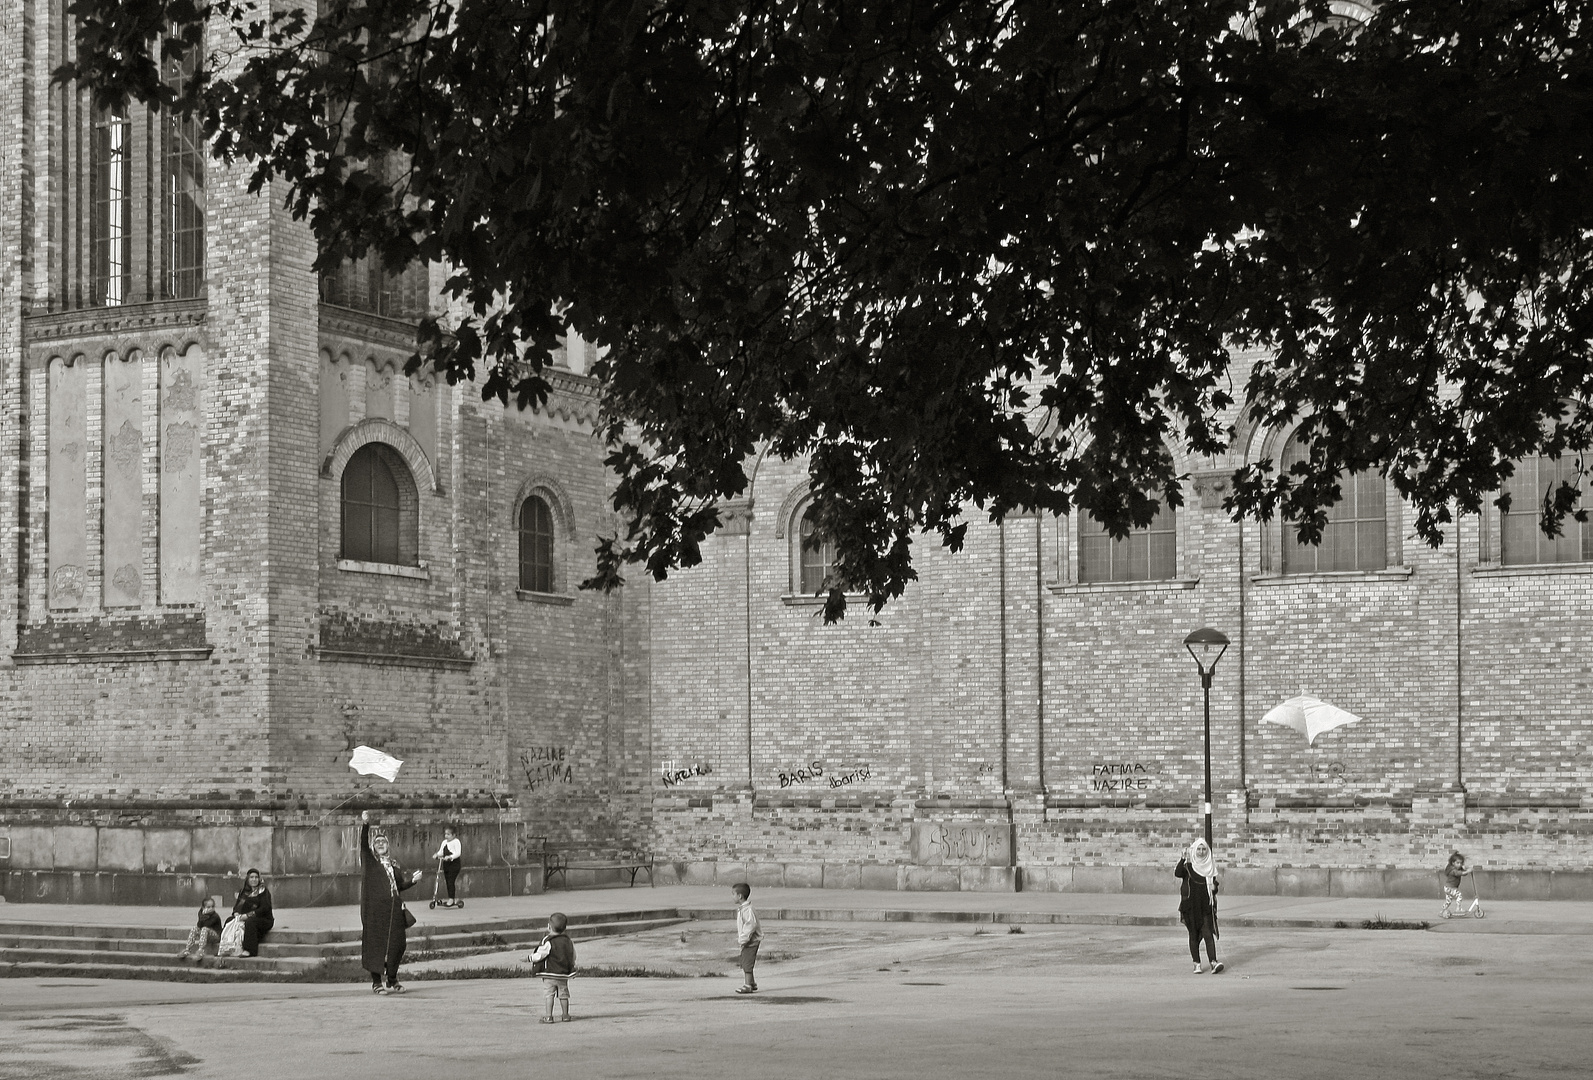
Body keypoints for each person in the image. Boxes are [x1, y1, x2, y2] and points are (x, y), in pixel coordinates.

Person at [360, 810, 424, 994]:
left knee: (398, 943)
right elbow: (363, 845)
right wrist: (365, 825)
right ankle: (376, 982)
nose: (381, 844)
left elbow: (398, 886)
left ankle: (392, 977)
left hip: (394, 909)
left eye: (383, 842)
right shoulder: (370, 862)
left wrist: (412, 881)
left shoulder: (393, 864)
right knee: (376, 943)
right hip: (375, 911)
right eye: (377, 842)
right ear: (373, 846)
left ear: (388, 846)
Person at [1175, 839, 1223, 974]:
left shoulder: (1210, 866)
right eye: (1199, 849)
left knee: (1208, 933)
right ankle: (1196, 963)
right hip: (1191, 906)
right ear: (1194, 850)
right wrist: (1183, 858)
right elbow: (1178, 873)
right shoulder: (1188, 866)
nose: (1201, 852)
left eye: (1204, 849)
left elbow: (1214, 885)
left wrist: (1214, 888)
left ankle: (1213, 962)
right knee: (1193, 935)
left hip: (1205, 906)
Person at [528, 911, 576, 1023]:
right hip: (563, 974)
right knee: (564, 995)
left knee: (549, 995)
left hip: (549, 974)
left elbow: (540, 955)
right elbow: (573, 955)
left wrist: (529, 958)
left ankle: (549, 1016)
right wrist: (571, 965)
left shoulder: (548, 941)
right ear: (565, 928)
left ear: (549, 927)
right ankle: (565, 1015)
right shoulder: (568, 941)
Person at [228, 869, 274, 957]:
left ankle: (249, 950)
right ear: (248, 879)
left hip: (263, 919)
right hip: (244, 917)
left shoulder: (263, 892)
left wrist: (248, 915)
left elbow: (264, 908)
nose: (254, 879)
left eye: (256, 877)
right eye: (251, 877)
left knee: (250, 922)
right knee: (230, 920)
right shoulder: (244, 892)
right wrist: (236, 913)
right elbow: (237, 907)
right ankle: (228, 947)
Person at [732, 882, 761, 993]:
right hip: (748, 940)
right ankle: (752, 983)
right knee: (746, 961)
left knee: (747, 963)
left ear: (740, 896)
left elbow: (750, 925)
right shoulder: (744, 909)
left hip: (751, 941)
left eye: (733, 894)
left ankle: (747, 985)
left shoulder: (747, 910)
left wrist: (743, 939)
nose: (732, 897)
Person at [178, 897, 223, 961]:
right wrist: (203, 915)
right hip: (204, 935)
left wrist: (205, 916)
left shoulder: (215, 916)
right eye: (208, 907)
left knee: (204, 929)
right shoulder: (201, 913)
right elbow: (199, 925)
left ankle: (201, 950)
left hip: (215, 936)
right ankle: (187, 949)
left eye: (212, 907)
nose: (211, 909)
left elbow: (207, 925)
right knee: (194, 929)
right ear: (203, 907)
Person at [432, 825, 463, 906]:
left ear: (454, 835)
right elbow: (441, 852)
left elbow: (458, 853)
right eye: (445, 834)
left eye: (448, 834)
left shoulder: (456, 842)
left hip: (454, 864)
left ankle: (451, 899)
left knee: (450, 881)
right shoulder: (444, 842)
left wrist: (450, 857)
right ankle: (451, 897)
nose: (446, 836)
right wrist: (436, 855)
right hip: (446, 864)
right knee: (448, 881)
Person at [1439, 851, 1474, 919]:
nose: (1459, 865)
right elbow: (1459, 873)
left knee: (1448, 901)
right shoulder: (1453, 870)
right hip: (1450, 888)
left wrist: (1466, 869)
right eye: (1457, 863)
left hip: (1448, 887)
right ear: (1453, 863)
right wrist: (1467, 871)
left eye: (1461, 863)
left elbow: (1464, 873)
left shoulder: (1457, 868)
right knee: (1459, 895)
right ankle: (1458, 909)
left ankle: (1443, 910)